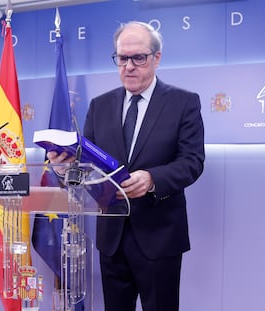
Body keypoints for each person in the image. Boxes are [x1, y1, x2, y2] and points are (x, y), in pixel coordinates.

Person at [48, 21, 205, 311]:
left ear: (156, 58)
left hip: (159, 236)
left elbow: (192, 162)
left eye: (138, 58)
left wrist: (152, 178)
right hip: (112, 237)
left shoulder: (184, 103)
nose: (129, 66)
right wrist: (63, 167)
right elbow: (86, 164)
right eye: (122, 58)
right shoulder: (99, 105)